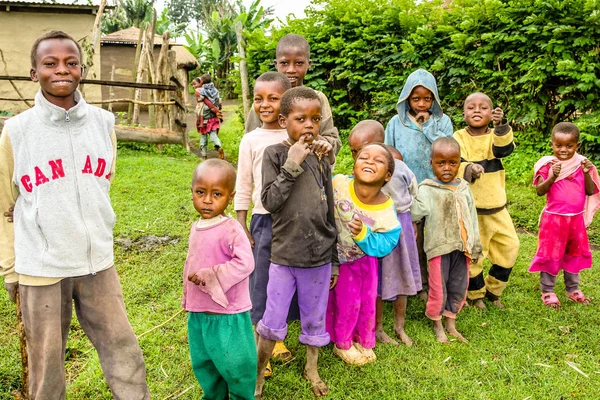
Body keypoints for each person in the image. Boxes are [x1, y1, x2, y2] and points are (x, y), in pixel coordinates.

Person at [0, 30, 149, 399]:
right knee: (46, 364)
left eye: (71, 62)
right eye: (49, 64)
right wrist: (10, 267)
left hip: (98, 261)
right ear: (34, 72)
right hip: (41, 269)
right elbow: (5, 204)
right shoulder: (17, 131)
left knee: (123, 349)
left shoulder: (103, 123)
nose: (61, 70)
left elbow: (103, 184)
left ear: (82, 69)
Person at [255, 87, 336, 399]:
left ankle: (311, 369)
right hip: (285, 256)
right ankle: (259, 374)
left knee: (314, 321)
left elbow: (329, 207)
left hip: (319, 256)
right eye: (300, 118)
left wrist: (336, 258)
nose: (309, 126)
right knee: (271, 323)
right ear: (283, 119)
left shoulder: (321, 158)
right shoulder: (274, 154)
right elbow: (270, 201)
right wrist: (292, 164)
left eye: (315, 119)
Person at [183, 159, 257, 399]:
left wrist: (212, 275)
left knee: (237, 366)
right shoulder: (196, 226)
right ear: (192, 191)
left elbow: (245, 263)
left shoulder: (232, 229)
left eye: (217, 194)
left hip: (228, 315)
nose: (207, 200)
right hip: (200, 314)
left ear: (230, 196)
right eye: (200, 192)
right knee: (205, 363)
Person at [234, 71, 291, 375]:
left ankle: (277, 336)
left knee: (285, 280)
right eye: (259, 99)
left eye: (273, 98)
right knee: (262, 281)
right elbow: (244, 183)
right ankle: (259, 340)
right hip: (263, 219)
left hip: (293, 221)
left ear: (288, 101)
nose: (265, 104)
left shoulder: (293, 136)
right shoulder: (250, 140)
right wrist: (241, 222)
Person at [347, 121, 420, 347]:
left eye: (366, 148)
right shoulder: (357, 175)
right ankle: (377, 328)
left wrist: (412, 220)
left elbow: (413, 192)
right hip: (376, 231)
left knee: (402, 276)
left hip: (401, 226)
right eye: (356, 152)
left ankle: (399, 326)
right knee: (376, 282)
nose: (364, 157)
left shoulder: (399, 168)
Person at [326, 142, 401, 365]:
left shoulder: (386, 207)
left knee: (366, 302)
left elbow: (389, 240)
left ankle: (365, 340)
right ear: (354, 166)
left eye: (378, 160)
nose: (369, 161)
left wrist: (364, 235)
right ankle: (343, 343)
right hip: (335, 260)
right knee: (347, 303)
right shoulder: (338, 183)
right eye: (364, 157)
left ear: (387, 176)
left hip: (365, 262)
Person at [384, 68, 454, 302]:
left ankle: (432, 284)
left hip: (436, 189)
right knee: (412, 238)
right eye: (416, 98)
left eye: (427, 98)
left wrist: (429, 129)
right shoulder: (396, 123)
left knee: (434, 237)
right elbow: (388, 154)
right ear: (407, 98)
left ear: (434, 98)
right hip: (405, 193)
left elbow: (449, 148)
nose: (422, 104)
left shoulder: (442, 122)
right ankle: (414, 282)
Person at [410, 137, 482, 343]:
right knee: (438, 287)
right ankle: (437, 324)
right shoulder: (426, 189)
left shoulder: (464, 187)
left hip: (462, 248)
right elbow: (415, 213)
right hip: (438, 248)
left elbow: (472, 217)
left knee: (459, 285)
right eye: (441, 163)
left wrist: (475, 245)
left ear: (460, 163)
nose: (447, 168)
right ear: (431, 163)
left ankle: (451, 322)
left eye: (453, 163)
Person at [454, 92, 520, 310]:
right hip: (472, 210)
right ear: (463, 113)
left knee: (509, 247)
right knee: (474, 253)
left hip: (497, 209)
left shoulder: (495, 135)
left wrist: (501, 126)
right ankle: (476, 295)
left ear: (492, 113)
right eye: (471, 107)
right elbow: (455, 162)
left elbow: (504, 149)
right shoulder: (459, 137)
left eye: (483, 108)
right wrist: (469, 168)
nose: (476, 111)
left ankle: (494, 290)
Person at [530, 122, 600, 309]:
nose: (563, 150)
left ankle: (573, 288)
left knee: (573, 253)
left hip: (575, 219)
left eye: (569, 146)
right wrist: (552, 176)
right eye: (559, 145)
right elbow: (539, 190)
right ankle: (548, 290)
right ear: (552, 144)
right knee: (550, 254)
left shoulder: (582, 164)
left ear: (577, 146)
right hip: (553, 219)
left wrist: (586, 173)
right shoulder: (548, 165)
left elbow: (590, 190)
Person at [244, 33, 341, 164]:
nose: (291, 69)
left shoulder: (317, 99)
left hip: (308, 173)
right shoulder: (263, 103)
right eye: (284, 63)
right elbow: (250, 139)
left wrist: (312, 136)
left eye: (299, 63)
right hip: (270, 176)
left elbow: (334, 143)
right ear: (276, 64)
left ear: (309, 64)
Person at [194, 74, 224, 160]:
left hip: (205, 116)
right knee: (213, 134)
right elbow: (218, 100)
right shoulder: (215, 90)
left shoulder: (201, 90)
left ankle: (204, 156)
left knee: (203, 136)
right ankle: (219, 147)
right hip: (213, 115)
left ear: (202, 82)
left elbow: (200, 99)